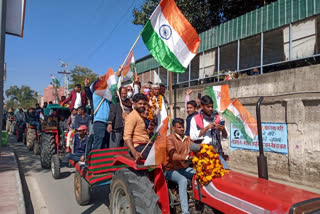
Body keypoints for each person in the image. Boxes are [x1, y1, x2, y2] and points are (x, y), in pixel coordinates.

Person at [165, 118, 196, 214]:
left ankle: (200, 202)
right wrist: (186, 157)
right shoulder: (169, 139)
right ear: (174, 128)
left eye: (183, 127)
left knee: (199, 174)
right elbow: (173, 155)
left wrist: (206, 150)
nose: (182, 129)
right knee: (182, 180)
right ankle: (185, 211)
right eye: (179, 127)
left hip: (183, 168)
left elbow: (196, 147)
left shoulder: (187, 139)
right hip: (170, 169)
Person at [190, 96, 229, 168]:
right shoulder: (195, 119)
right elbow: (193, 137)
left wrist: (223, 129)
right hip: (202, 154)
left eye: (211, 107)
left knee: (226, 171)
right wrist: (207, 127)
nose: (210, 109)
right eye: (208, 107)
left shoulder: (217, 118)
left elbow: (225, 136)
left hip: (216, 153)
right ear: (202, 106)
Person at [123, 93, 150, 160]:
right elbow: (127, 137)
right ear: (134, 104)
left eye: (144, 104)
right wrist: (134, 152)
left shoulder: (139, 116)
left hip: (146, 145)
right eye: (140, 104)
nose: (142, 106)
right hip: (139, 147)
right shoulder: (132, 117)